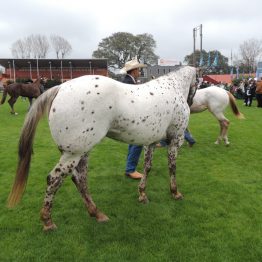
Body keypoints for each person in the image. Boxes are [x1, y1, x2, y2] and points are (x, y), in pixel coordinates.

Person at [121, 58, 147, 179]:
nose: (140, 72)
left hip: (130, 116)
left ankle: (129, 166)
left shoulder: (129, 81)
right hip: (131, 116)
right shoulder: (129, 82)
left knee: (133, 142)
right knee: (138, 141)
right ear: (133, 71)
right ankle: (130, 169)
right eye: (138, 70)